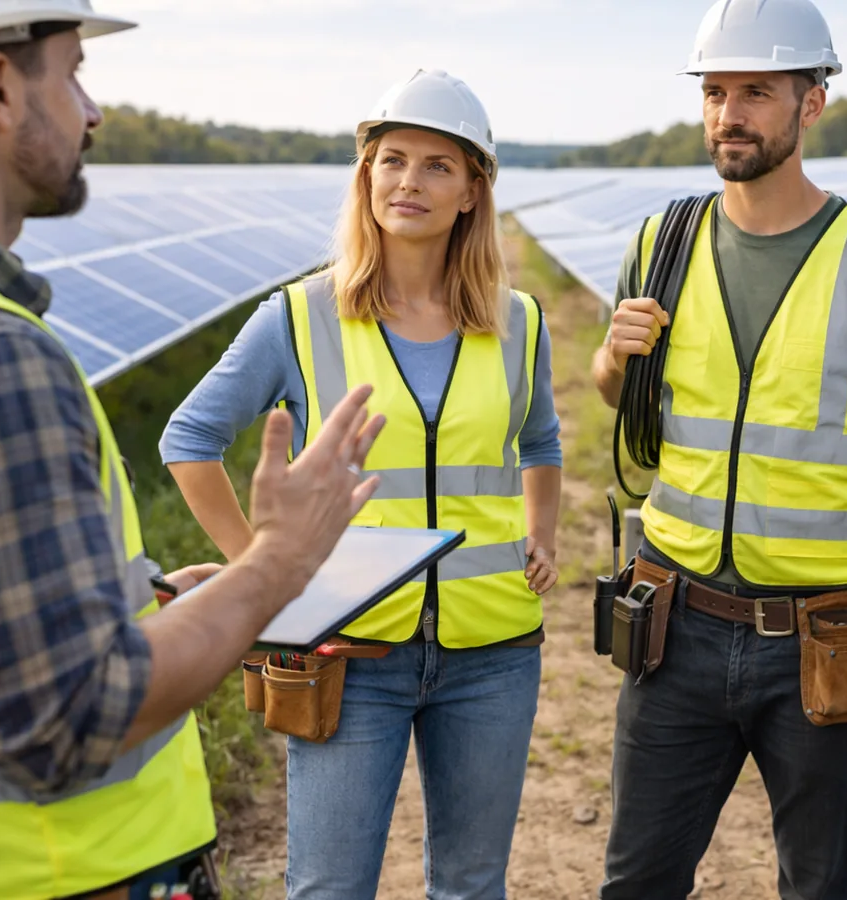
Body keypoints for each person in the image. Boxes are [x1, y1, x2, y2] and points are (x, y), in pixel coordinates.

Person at [0, 2, 386, 899]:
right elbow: (73, 718)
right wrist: (276, 564)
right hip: (45, 875)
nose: (92, 109)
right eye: (73, 70)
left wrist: (143, 605)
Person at [588, 1, 847, 896]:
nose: (730, 114)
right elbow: (622, 398)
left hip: (828, 644)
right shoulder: (659, 243)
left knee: (822, 885)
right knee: (636, 881)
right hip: (673, 624)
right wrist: (612, 356)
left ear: (813, 103)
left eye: (756, 92)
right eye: (716, 92)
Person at [161, 68, 562, 899]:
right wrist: (263, 576)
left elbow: (541, 440)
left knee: (471, 885)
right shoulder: (299, 316)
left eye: (436, 166)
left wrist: (544, 530)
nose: (408, 180)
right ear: (366, 175)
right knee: (330, 888)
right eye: (391, 160)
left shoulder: (519, 320)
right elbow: (189, 438)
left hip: (493, 654)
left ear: (471, 192)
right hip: (347, 654)